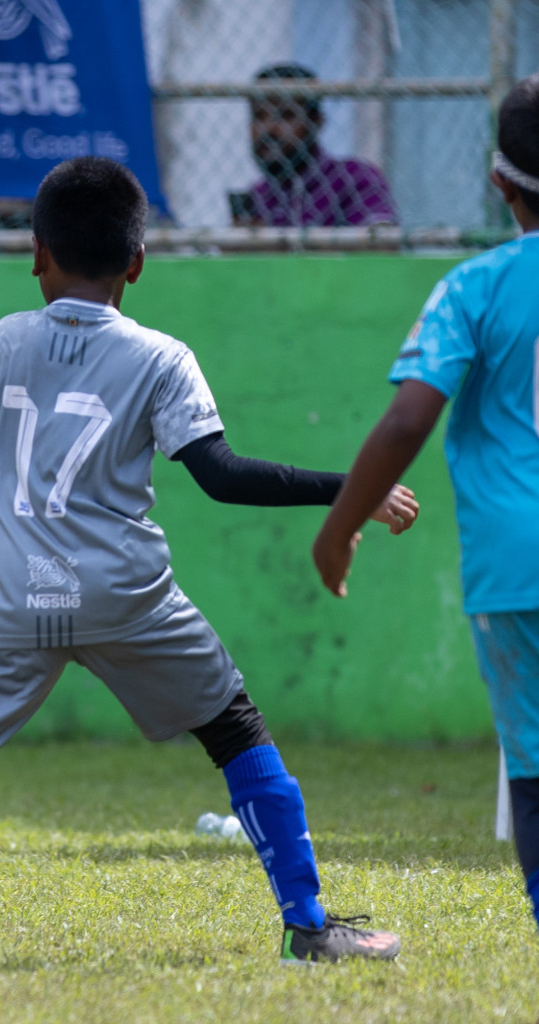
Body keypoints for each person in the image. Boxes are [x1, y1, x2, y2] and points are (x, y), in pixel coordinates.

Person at [0, 156, 416, 969]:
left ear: (36, 252)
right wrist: (346, 491)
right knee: (234, 731)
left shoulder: (3, 340)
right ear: (138, 264)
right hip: (123, 594)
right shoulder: (162, 356)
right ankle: (307, 924)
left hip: (4, 595)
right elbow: (221, 477)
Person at [314, 73, 539, 935]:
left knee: (534, 767)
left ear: (499, 181)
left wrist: (338, 532)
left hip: (516, 571)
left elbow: (411, 415)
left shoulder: (473, 289)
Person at [232, 63, 398, 228]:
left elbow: (384, 245)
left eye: (286, 115)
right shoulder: (259, 195)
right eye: (259, 116)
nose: (268, 129)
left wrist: (274, 249)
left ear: (315, 121)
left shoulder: (354, 179)